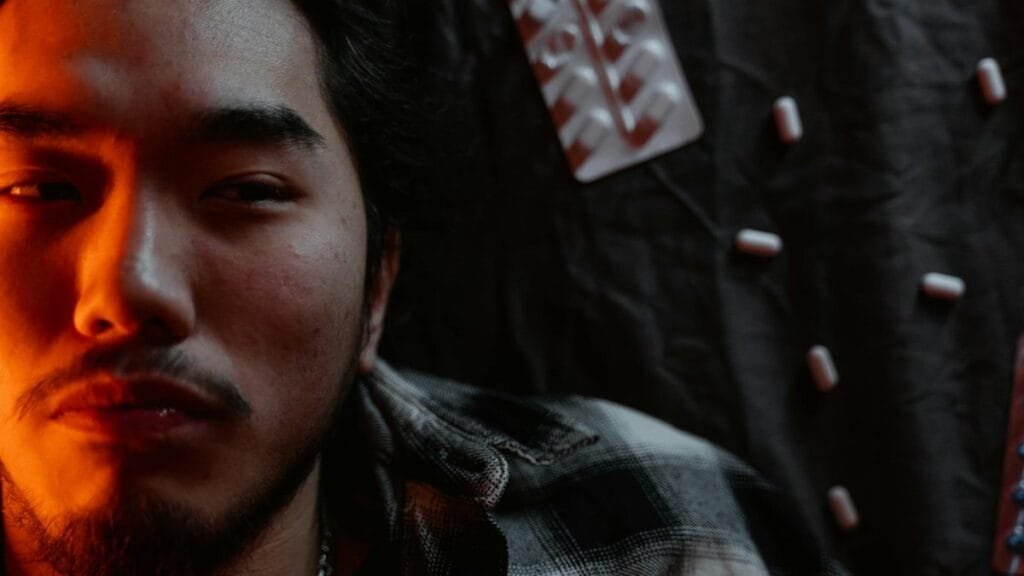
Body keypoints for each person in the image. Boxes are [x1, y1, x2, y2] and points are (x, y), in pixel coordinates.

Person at [0, 1, 846, 575]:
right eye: (34, 189)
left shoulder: (662, 535)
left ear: (377, 288)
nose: (129, 289)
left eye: (246, 190)